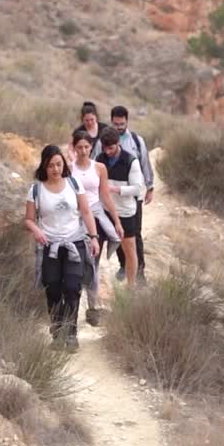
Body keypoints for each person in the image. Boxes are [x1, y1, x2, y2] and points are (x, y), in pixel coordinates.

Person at [25, 145, 101, 352]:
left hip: (74, 243)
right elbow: (29, 220)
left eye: (59, 164)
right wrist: (36, 231)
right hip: (49, 246)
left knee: (72, 288)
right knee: (53, 289)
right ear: (44, 166)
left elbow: (86, 212)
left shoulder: (74, 184)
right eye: (51, 165)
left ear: (64, 165)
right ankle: (57, 332)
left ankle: (71, 334)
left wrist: (93, 237)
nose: (55, 169)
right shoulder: (36, 189)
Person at [70, 128, 123, 324]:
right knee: (75, 264)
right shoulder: (69, 169)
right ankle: (72, 308)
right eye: (79, 147)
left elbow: (106, 196)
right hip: (75, 220)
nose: (83, 151)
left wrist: (116, 221)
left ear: (92, 147)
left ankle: (92, 309)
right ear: (74, 148)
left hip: (96, 219)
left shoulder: (99, 168)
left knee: (93, 264)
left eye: (86, 146)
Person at [109, 105, 154, 280]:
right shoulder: (104, 141)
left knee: (135, 233)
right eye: (115, 124)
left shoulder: (137, 141)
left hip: (134, 196)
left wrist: (149, 187)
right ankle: (123, 265)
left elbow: (145, 164)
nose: (118, 127)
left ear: (127, 121)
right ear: (111, 121)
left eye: (121, 123)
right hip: (113, 196)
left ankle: (140, 271)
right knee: (117, 232)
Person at [99, 128, 145, 284]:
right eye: (104, 148)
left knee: (130, 251)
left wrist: (116, 189)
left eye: (110, 148)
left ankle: (131, 287)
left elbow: (138, 188)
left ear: (118, 143)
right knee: (95, 248)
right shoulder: (100, 158)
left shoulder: (131, 161)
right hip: (104, 211)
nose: (107, 151)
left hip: (125, 212)